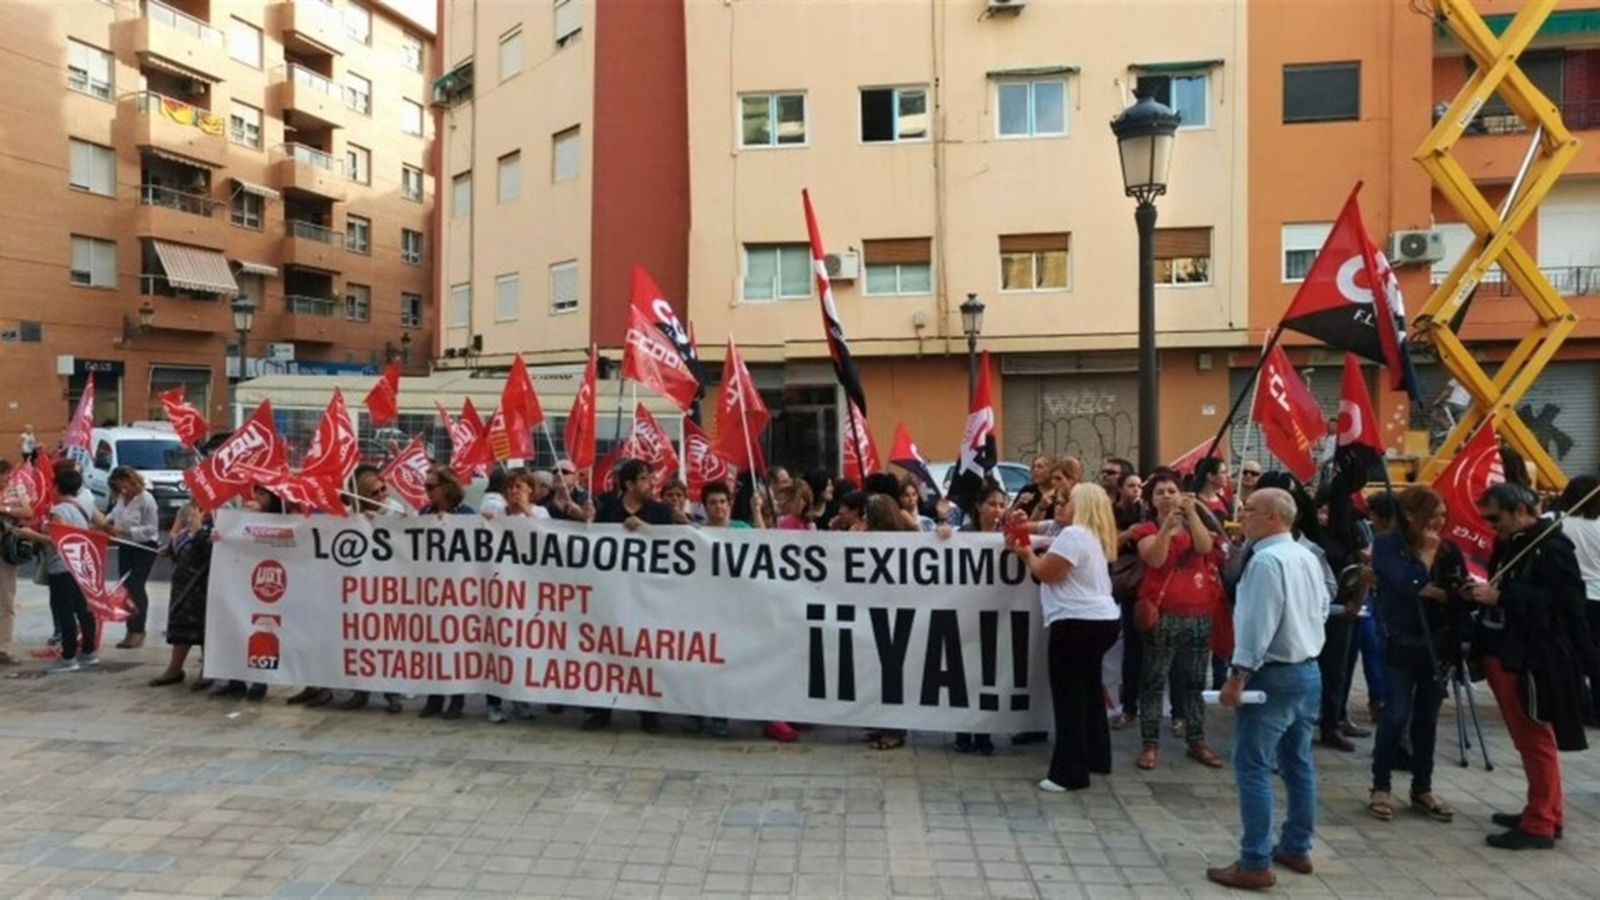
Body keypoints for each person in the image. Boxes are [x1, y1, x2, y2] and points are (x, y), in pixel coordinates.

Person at [1208, 487, 1329, 890]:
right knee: (1298, 762)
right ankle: (1297, 844)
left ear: (1275, 517)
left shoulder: (1266, 561)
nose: (1243, 514)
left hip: (1273, 675)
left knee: (1253, 766)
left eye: (1252, 510)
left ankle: (1255, 860)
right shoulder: (1305, 556)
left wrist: (1237, 675)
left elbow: (1258, 625)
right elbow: (1323, 607)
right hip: (1307, 670)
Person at [1469, 483, 1595, 850]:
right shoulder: (1514, 544)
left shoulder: (1552, 547)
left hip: (1532, 656)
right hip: (1505, 650)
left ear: (1521, 511)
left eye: (1496, 518)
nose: (1493, 526)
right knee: (1528, 740)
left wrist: (1504, 596)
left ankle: (1541, 822)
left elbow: (1566, 604)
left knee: (1536, 738)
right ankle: (1543, 809)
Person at [1012, 483, 1121, 792]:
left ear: (1082, 505)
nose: (1061, 505)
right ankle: (1097, 756)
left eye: (1068, 501)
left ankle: (1069, 772)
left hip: (1076, 622)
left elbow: (1047, 573)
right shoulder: (1093, 536)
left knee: (1069, 698)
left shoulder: (1074, 536)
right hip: (1101, 620)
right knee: (1088, 692)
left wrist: (1025, 554)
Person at [1367, 487, 1464, 824]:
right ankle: (1381, 785)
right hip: (1400, 641)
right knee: (1395, 714)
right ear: (1410, 515)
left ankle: (1422, 786)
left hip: (1436, 644)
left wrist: (1438, 590)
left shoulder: (1449, 549)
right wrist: (1425, 556)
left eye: (1442, 514)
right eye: (1433, 514)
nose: (1439, 522)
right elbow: (1406, 582)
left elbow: (1455, 589)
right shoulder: (1387, 544)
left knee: (1427, 718)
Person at [1132, 473, 1225, 770]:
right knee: (1153, 681)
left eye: (1172, 491)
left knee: (1195, 681)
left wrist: (1193, 515)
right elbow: (1155, 560)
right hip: (1164, 615)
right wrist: (1166, 531)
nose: (1167, 496)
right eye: (1160, 492)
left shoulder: (1194, 521)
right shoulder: (1147, 528)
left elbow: (1203, 548)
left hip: (1198, 613)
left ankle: (1196, 739)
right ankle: (1150, 744)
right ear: (1151, 499)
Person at [586, 459, 676, 734]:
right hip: (612, 593)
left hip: (646, 594)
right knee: (607, 650)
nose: (651, 484)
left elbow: (672, 545)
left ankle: (648, 713)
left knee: (645, 652)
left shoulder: (660, 512)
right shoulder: (608, 509)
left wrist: (646, 530)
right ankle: (602, 710)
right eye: (645, 479)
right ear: (629, 484)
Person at [16, 467, 100, 673]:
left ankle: (69, 656)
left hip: (62, 566)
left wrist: (29, 534)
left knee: (64, 611)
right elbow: (101, 523)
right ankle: (89, 651)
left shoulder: (59, 511)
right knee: (83, 609)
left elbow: (57, 540)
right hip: (80, 564)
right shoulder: (85, 505)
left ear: (57, 487)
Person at [338, 467, 406, 713]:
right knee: (360, 638)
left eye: (383, 490)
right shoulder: (351, 513)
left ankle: (392, 694)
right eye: (374, 492)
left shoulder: (396, 510)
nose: (381, 496)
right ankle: (360, 691)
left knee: (389, 640)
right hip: (360, 585)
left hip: (390, 586)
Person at [953, 483, 1008, 756]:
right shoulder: (963, 534)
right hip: (966, 614)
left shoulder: (1008, 536)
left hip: (996, 615)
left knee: (989, 674)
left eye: (1001, 505)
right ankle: (963, 731)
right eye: (992, 504)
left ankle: (984, 733)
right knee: (965, 673)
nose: (997, 510)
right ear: (979, 506)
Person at [420, 467, 475, 720]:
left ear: (447, 488)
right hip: (431, 590)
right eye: (425, 487)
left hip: (459, 591)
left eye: (431, 487)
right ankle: (434, 698)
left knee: (457, 646)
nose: (427, 492)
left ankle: (456, 699)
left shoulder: (466, 515)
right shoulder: (424, 514)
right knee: (432, 647)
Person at [147, 503, 211, 688]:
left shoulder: (221, 516)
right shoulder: (188, 509)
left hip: (203, 584)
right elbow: (178, 536)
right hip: (182, 584)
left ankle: (207, 671)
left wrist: (199, 530)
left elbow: (210, 551)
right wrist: (170, 549)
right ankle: (174, 669)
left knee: (205, 629)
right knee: (181, 628)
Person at [1557, 475, 1600, 724]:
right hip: (1597, 596)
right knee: (1595, 653)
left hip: (1568, 597)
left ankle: (1574, 706)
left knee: (1569, 654)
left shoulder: (1557, 525)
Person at [102, 466, 160, 649]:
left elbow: (152, 528)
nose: (123, 490)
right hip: (125, 545)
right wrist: (106, 522)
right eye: (119, 487)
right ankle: (130, 628)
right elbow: (113, 515)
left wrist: (128, 530)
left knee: (136, 585)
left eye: (125, 485)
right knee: (126, 587)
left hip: (144, 546)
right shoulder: (120, 498)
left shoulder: (146, 499)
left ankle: (138, 630)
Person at [0, 457, 33, 666]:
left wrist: (5, 510)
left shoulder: (16, 490)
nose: (6, 480)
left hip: (6, 550)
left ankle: (3, 646)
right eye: (3, 476)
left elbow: (28, 512)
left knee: (6, 599)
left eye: (7, 476)